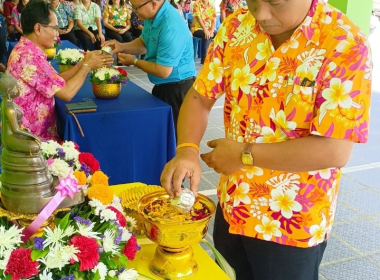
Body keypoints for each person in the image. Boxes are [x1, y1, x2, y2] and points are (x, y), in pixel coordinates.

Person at [160, 0, 372, 279]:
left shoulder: (344, 43)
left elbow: (334, 149)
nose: (261, 14)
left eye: (275, 3)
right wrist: (187, 149)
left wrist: (243, 155)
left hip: (291, 223)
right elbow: (200, 96)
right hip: (233, 208)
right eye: (252, 1)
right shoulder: (237, 27)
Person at [7, 0, 113, 141]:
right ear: (38, 28)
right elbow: (67, 93)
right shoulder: (30, 58)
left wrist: (82, 63)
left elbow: (55, 79)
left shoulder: (25, 49)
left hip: (28, 132)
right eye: (54, 28)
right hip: (33, 140)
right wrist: (87, 66)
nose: (57, 34)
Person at [103, 0, 196, 138]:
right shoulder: (151, 16)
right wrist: (121, 46)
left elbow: (163, 71)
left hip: (178, 89)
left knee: (174, 140)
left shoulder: (171, 26)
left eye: (136, 8)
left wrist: (134, 61)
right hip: (163, 86)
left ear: (153, 4)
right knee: (160, 137)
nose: (133, 12)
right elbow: (143, 42)